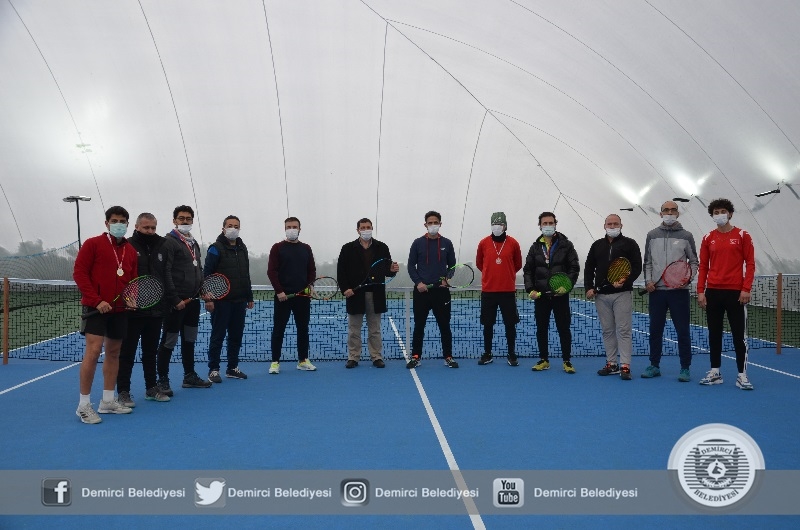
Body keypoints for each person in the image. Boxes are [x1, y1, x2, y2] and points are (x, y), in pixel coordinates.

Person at [73, 206, 138, 424]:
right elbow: (79, 273)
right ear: (107, 223)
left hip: (119, 310)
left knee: (114, 353)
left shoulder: (130, 251)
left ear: (127, 224)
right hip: (96, 309)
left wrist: (131, 298)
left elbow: (133, 280)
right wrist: (96, 300)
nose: (118, 224)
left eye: (122, 221)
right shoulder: (92, 244)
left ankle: (108, 401)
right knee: (93, 353)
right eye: (114, 221)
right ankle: (83, 405)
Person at [697, 198, 755, 390]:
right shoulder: (708, 238)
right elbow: (703, 266)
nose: (720, 215)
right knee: (714, 334)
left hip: (735, 293)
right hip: (713, 293)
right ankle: (715, 372)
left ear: (730, 213)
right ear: (712, 216)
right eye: (716, 212)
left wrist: (746, 288)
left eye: (723, 211)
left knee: (739, 336)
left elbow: (750, 264)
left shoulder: (742, 235)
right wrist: (700, 291)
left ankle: (742, 375)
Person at [156, 205, 212, 394]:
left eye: (188, 218)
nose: (185, 221)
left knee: (189, 340)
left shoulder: (193, 243)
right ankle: (162, 380)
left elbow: (199, 270)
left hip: (192, 302)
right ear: (174, 221)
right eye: (181, 218)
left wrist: (203, 291)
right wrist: (174, 299)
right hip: (175, 304)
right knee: (169, 341)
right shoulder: (168, 242)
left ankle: (189, 376)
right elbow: (166, 272)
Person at [116, 213, 170, 407]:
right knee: (127, 353)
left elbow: (165, 275)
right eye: (146, 227)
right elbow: (122, 277)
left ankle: (151, 388)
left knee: (150, 353)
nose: (150, 231)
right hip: (132, 311)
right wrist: (127, 298)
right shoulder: (127, 246)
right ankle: (123, 392)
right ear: (137, 227)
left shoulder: (162, 246)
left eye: (153, 227)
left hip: (156, 310)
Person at [641, 201, 699, 382]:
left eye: (673, 210)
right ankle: (654, 366)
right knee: (655, 331)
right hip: (657, 292)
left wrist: (687, 279)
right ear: (660, 214)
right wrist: (648, 281)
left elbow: (694, 262)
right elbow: (647, 262)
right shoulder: (652, 235)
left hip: (679, 293)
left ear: (678, 213)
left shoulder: (686, 236)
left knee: (683, 331)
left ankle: (685, 368)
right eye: (666, 210)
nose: (669, 213)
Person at [585, 214, 642, 380]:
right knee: (608, 330)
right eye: (609, 224)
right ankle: (612, 364)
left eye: (615, 224)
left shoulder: (630, 244)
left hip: (622, 294)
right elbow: (589, 268)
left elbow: (636, 267)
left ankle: (625, 366)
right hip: (601, 296)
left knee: (624, 330)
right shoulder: (597, 245)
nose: (612, 226)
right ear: (604, 226)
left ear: (621, 225)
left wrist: (625, 281)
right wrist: (589, 287)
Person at [337, 218, 399, 368]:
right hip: (354, 294)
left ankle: (376, 356)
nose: (366, 230)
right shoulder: (347, 248)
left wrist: (392, 271)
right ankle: (353, 357)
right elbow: (341, 271)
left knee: (375, 329)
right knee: (354, 330)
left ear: (372, 228)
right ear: (357, 230)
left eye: (368, 227)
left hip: (375, 294)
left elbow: (386, 269)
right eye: (363, 227)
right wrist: (345, 288)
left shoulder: (382, 247)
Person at [523, 211, 580, 374]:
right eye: (545, 223)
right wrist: (531, 289)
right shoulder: (535, 247)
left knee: (564, 328)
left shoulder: (566, 245)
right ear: (540, 225)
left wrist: (566, 286)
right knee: (541, 329)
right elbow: (528, 270)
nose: (548, 226)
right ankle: (544, 360)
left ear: (555, 224)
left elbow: (574, 267)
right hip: (541, 297)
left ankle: (567, 361)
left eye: (550, 223)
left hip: (560, 296)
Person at [204, 215, 254, 383]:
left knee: (236, 336)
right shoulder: (215, 248)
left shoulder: (242, 248)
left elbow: (245, 274)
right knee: (217, 336)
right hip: (221, 302)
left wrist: (249, 296)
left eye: (236, 226)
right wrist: (208, 299)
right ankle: (213, 370)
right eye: (230, 225)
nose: (233, 228)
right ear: (223, 228)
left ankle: (232, 368)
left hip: (239, 301)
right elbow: (207, 274)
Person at [407, 210, 458, 369]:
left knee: (444, 326)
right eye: (430, 223)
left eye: (436, 222)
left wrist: (446, 279)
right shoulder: (417, 243)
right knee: (419, 326)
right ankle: (416, 357)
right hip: (422, 292)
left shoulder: (447, 243)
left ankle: (448, 357)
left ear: (440, 224)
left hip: (441, 293)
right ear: (425, 225)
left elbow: (452, 266)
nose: (433, 225)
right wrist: (418, 283)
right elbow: (411, 266)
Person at [267, 216, 317, 373]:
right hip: (283, 297)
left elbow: (311, 270)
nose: (292, 230)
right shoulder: (277, 248)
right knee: (278, 330)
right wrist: (279, 291)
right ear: (285, 229)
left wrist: (310, 286)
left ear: (300, 229)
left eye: (294, 227)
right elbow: (271, 271)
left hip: (303, 297)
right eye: (288, 227)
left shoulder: (306, 248)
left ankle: (303, 360)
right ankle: (275, 362)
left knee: (303, 329)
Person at [475, 212, 523, 366]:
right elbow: (479, 264)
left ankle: (511, 354)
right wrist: (490, 274)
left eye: (500, 224)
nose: (497, 226)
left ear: (505, 226)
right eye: (494, 224)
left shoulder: (513, 243)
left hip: (507, 291)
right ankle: (487, 353)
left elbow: (518, 264)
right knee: (488, 324)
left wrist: (506, 274)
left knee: (510, 324)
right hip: (488, 291)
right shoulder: (483, 243)